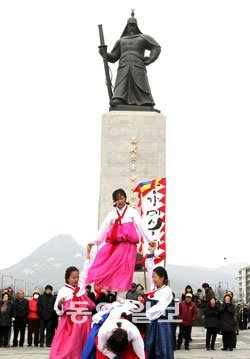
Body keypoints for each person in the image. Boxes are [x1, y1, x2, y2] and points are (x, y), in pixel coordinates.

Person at [87, 189, 152, 294]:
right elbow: (103, 229)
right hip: (115, 245)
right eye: (117, 199)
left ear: (125, 198)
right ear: (114, 201)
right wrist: (95, 242)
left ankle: (120, 295)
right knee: (106, 263)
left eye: (121, 198)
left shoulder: (132, 212)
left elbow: (141, 226)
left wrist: (150, 240)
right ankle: (104, 285)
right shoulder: (112, 214)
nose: (120, 201)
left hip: (129, 246)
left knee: (125, 271)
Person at [99, 11, 161, 108]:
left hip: (138, 64)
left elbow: (156, 47)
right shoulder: (121, 41)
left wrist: (151, 59)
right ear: (126, 26)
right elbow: (113, 57)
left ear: (137, 26)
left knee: (141, 83)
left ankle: (145, 100)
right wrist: (104, 54)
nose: (131, 27)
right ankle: (119, 98)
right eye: (130, 25)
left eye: (133, 25)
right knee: (122, 83)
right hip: (123, 65)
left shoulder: (143, 38)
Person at [49, 244, 96, 359]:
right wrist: (60, 304)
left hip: (84, 321)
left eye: (77, 277)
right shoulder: (63, 291)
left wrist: (88, 254)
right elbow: (57, 309)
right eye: (73, 277)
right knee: (69, 347)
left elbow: (86, 270)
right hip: (70, 323)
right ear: (67, 278)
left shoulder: (81, 288)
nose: (76, 279)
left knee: (85, 344)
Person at [144, 251, 174, 358]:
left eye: (155, 277)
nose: (153, 279)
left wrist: (145, 315)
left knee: (160, 349)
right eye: (152, 277)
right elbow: (149, 267)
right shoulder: (154, 288)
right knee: (149, 348)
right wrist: (151, 251)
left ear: (162, 278)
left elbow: (159, 308)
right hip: (151, 322)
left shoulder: (167, 291)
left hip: (161, 325)